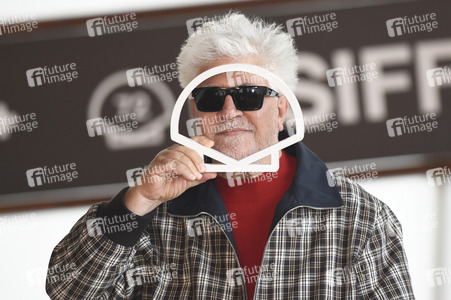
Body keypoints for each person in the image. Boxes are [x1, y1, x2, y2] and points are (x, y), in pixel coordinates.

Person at [46, 12, 415, 299]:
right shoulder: (152, 210)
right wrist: (137, 201)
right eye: (210, 97)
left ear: (281, 107)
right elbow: (69, 290)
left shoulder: (360, 218)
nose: (229, 111)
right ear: (195, 111)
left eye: (249, 95)